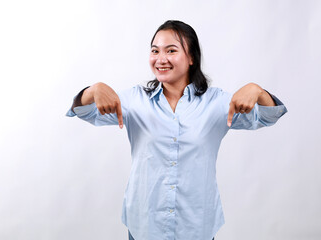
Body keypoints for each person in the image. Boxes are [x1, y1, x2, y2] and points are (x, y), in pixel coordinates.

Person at [66, 20, 287, 240]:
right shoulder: (134, 100)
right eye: (155, 51)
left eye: (171, 50)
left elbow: (268, 116)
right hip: (145, 224)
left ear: (191, 58)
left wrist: (257, 91)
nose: (161, 59)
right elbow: (85, 111)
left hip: (196, 226)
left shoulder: (217, 103)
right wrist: (93, 90)